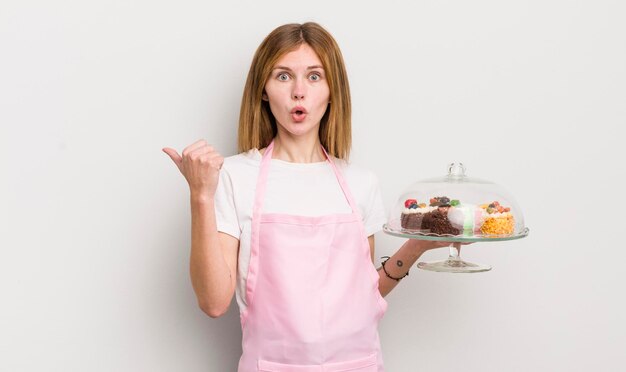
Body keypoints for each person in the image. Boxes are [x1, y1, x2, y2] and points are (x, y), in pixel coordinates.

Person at [163, 22, 451, 372]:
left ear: (332, 91)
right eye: (283, 76)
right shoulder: (234, 177)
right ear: (264, 90)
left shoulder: (360, 183)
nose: (299, 91)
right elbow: (213, 302)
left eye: (314, 77)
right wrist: (200, 196)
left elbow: (361, 297)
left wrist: (415, 248)